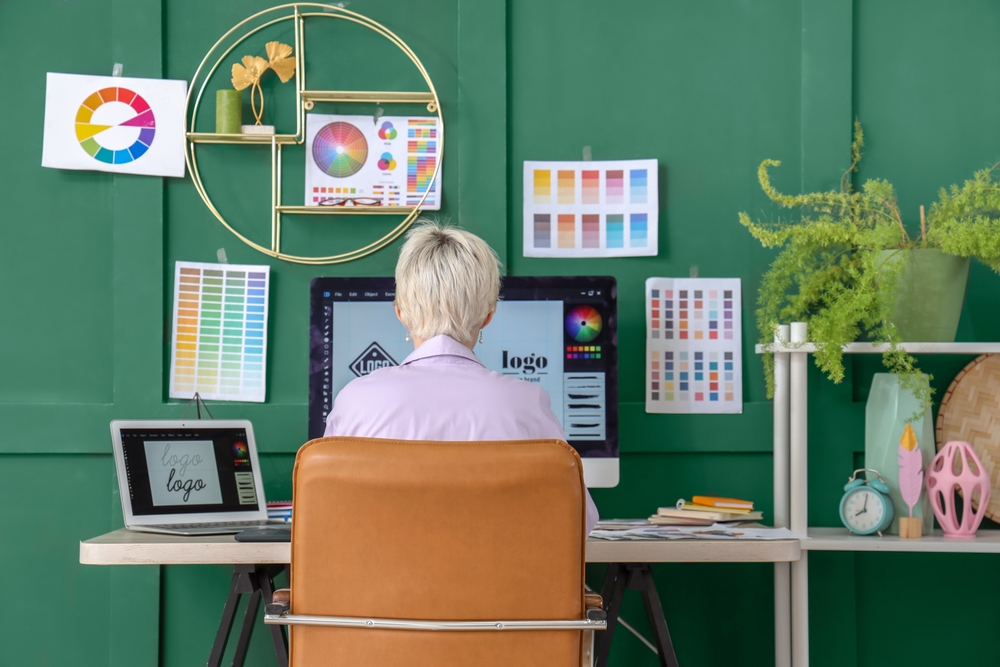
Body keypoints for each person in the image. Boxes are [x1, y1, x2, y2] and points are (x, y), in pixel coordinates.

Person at [325, 220, 599, 533]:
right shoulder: (527, 403)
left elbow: (327, 515)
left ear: (400, 312)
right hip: (500, 566)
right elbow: (579, 523)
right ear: (488, 315)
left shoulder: (355, 401)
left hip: (379, 566)